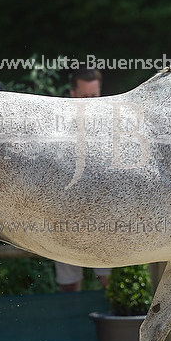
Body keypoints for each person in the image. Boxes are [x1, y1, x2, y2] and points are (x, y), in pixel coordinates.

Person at [54, 68, 111, 291]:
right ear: (73, 93)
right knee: (68, 284)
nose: (90, 103)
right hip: (66, 213)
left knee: (112, 283)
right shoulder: (58, 125)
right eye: (85, 97)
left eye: (94, 97)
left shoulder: (111, 124)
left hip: (105, 215)